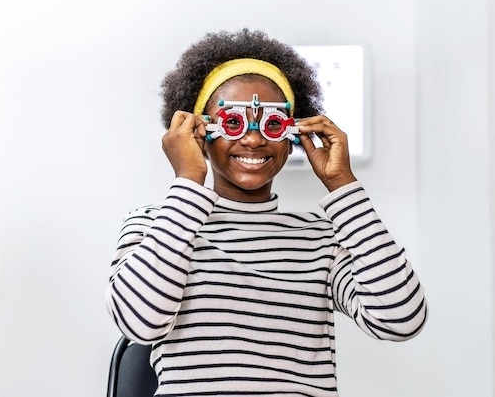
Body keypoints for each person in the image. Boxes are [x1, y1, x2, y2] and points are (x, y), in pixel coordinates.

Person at [105, 28, 427, 397]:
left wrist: (342, 183)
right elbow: (138, 322)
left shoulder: (322, 239)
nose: (254, 139)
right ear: (199, 133)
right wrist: (189, 181)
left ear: (292, 136)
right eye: (232, 123)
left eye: (272, 125)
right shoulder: (156, 224)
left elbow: (401, 319)